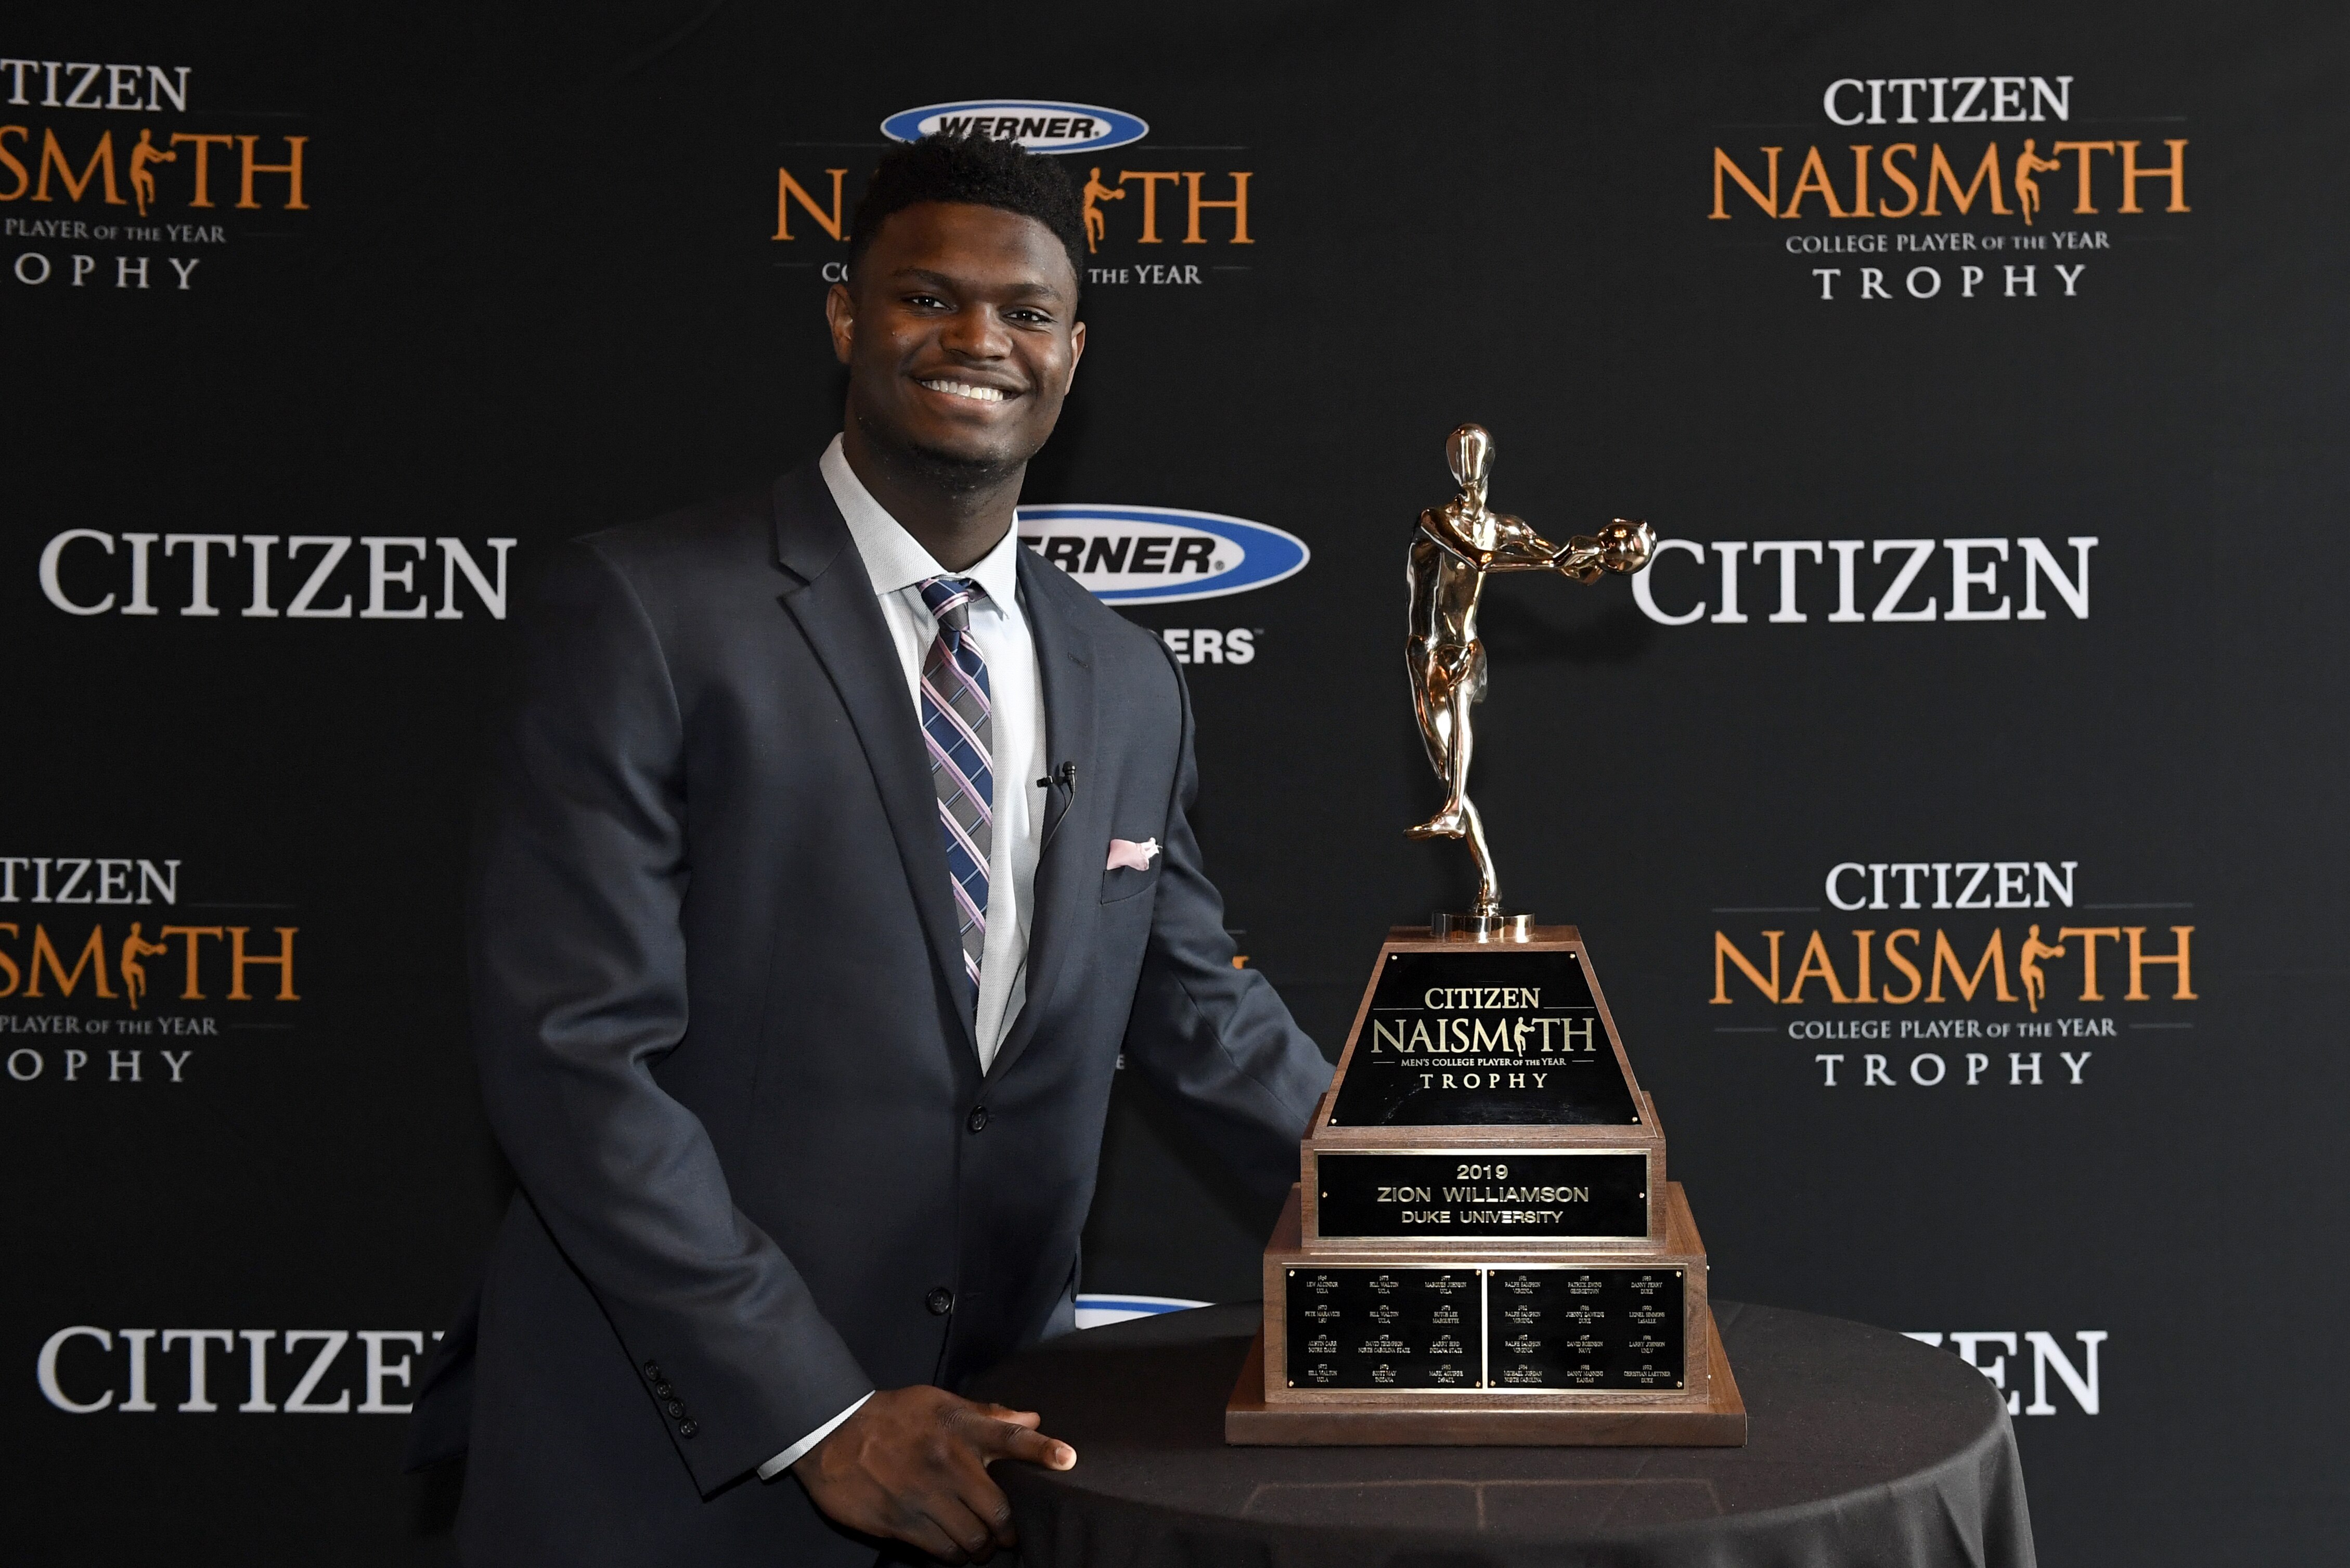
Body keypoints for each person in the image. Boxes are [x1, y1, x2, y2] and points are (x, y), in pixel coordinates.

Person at [405, 133, 1333, 1567]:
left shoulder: (1128, 678)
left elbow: (1201, 1010)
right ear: (847, 312)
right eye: (929, 297)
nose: (980, 341)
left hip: (993, 1468)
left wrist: (1453, 1206)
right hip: (675, 1462)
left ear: (1072, 353)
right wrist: (820, 1412)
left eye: (1026, 313)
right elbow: (575, 1058)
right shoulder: (647, 614)